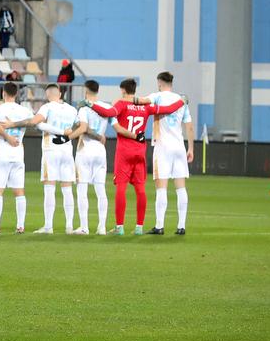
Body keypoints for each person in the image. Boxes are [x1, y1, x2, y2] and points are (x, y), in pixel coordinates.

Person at [89, 79, 179, 235]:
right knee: (140, 189)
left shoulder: (122, 104)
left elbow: (108, 113)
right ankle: (139, 227)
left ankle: (120, 227)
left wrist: (90, 104)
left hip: (124, 151)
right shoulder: (145, 106)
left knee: (121, 188)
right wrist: (182, 101)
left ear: (123, 90)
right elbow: (169, 109)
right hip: (140, 151)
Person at [21, 83, 79, 234]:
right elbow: (79, 127)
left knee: (49, 188)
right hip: (67, 150)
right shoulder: (72, 109)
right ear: (60, 94)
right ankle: (69, 226)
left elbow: (35, 122)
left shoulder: (47, 107)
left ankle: (48, 226)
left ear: (47, 95)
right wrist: (67, 133)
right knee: (67, 189)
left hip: (51, 150)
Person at [146, 71, 193, 236]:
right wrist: (191, 148)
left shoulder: (156, 96)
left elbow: (143, 102)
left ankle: (159, 226)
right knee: (181, 187)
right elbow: (189, 126)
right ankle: (181, 226)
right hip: (179, 147)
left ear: (160, 82)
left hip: (162, 147)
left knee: (161, 188)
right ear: (171, 83)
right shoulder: (181, 100)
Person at [0, 81, 32, 233]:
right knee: (19, 191)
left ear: (3, 93)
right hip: (18, 155)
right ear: (16, 94)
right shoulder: (25, 111)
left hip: (1, 155)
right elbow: (33, 122)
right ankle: (20, 226)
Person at [69, 80, 112, 235]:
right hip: (100, 151)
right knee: (101, 190)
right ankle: (102, 227)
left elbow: (82, 128)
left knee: (82, 189)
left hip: (85, 150)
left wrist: (68, 136)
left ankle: (84, 227)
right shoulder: (106, 107)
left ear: (86, 91)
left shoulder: (83, 108)